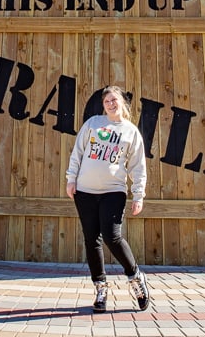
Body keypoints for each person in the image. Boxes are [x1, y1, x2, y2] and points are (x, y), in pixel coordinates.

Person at [65, 85, 151, 312]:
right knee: (91, 239)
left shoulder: (131, 131)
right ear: (103, 106)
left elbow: (137, 166)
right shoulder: (93, 124)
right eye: (107, 102)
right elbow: (78, 152)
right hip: (85, 191)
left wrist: (138, 194)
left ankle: (135, 278)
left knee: (112, 237)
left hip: (114, 191)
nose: (111, 104)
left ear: (122, 102)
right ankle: (101, 290)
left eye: (114, 100)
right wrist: (71, 179)